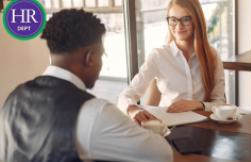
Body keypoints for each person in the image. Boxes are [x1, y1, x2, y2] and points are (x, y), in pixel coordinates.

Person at [0, 9, 173, 162]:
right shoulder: (94, 112)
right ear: (89, 58)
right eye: (102, 55)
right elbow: (162, 155)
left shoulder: (13, 98)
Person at [118, 0, 226, 124]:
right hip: (169, 127)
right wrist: (133, 110)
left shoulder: (212, 55)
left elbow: (220, 103)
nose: (179, 26)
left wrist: (197, 104)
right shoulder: (158, 55)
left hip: (204, 127)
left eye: (186, 19)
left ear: (197, 20)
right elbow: (126, 95)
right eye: (173, 20)